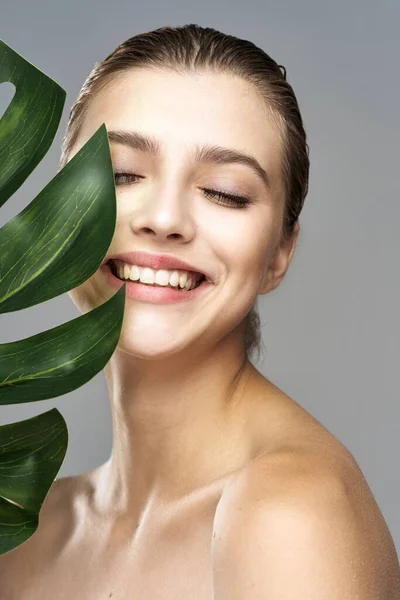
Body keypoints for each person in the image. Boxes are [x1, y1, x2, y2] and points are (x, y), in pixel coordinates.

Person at [1, 23, 399, 599]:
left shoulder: (288, 515)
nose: (164, 218)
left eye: (225, 192)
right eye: (122, 174)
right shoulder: (28, 528)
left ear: (279, 254)